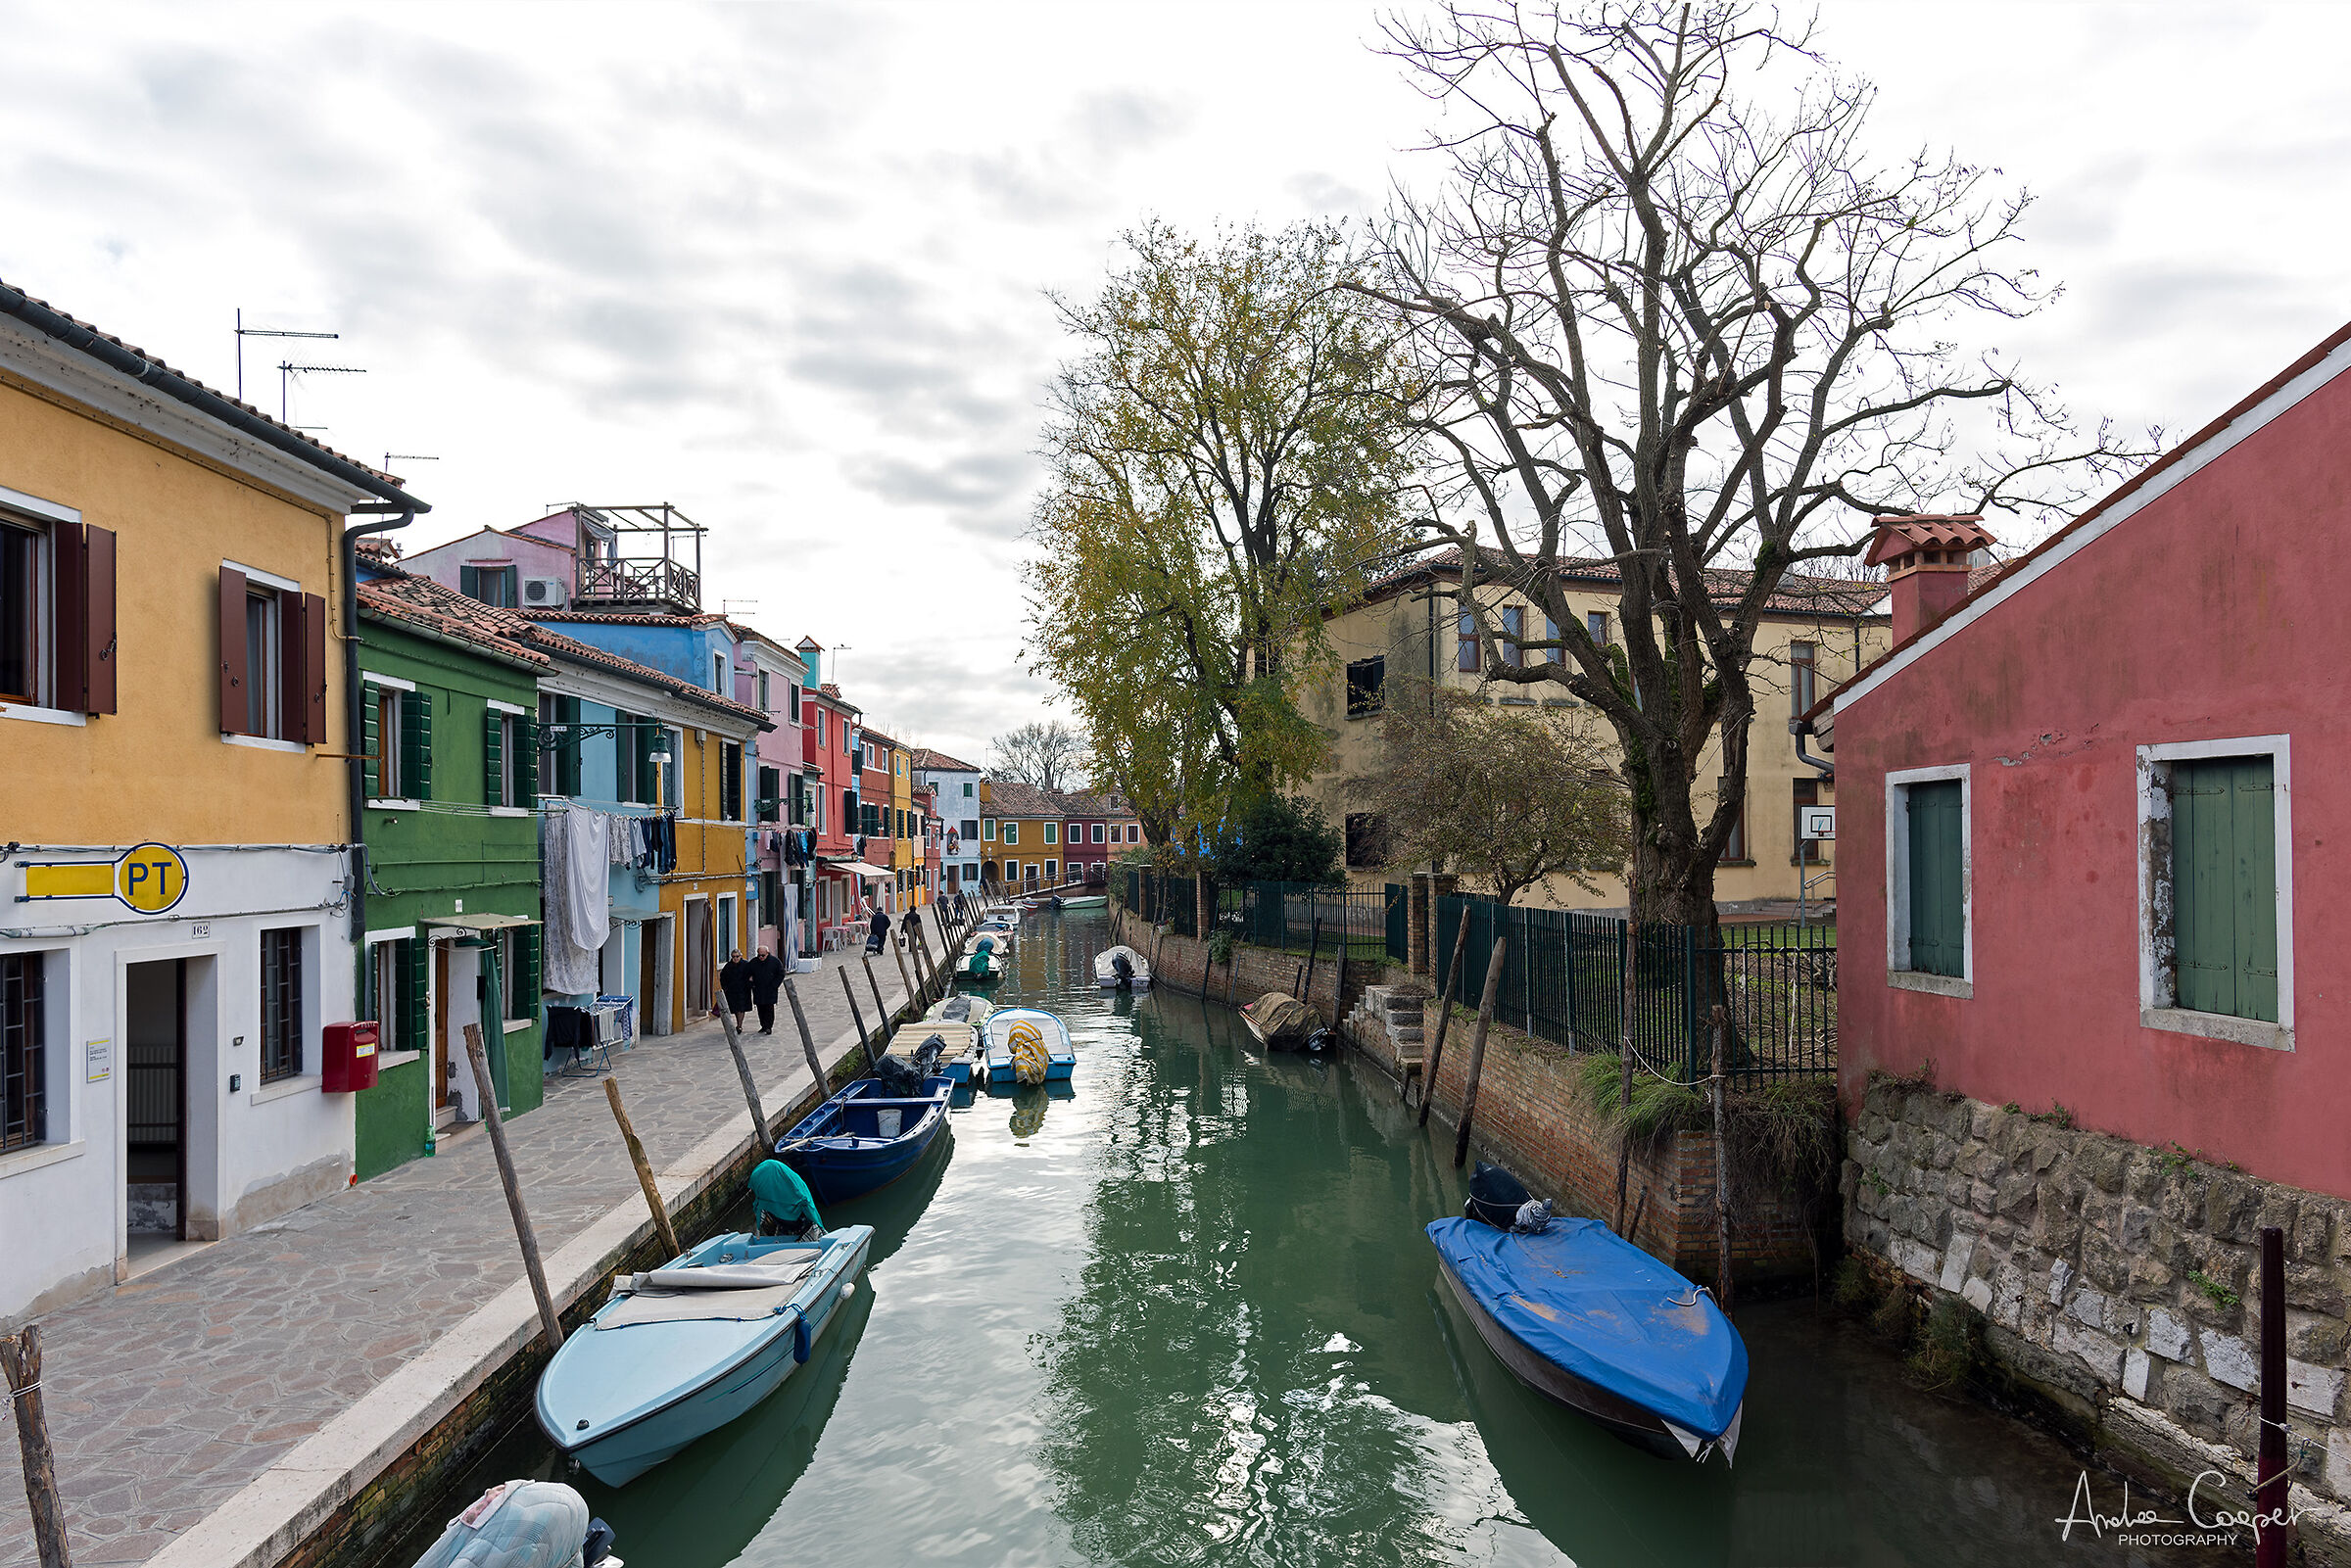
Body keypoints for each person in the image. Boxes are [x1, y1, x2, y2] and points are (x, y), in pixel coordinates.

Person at [748, 1158, 823, 1240]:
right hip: (783, 1231)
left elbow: (813, 1226)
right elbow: (759, 1225)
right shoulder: (765, 1199)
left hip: (806, 1233)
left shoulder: (799, 1197)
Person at [747, 945, 788, 1034]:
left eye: (763, 955)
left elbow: (781, 974)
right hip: (758, 989)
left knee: (769, 1008)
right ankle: (763, 1025)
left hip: (770, 989)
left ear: (767, 953)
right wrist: (751, 983)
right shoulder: (754, 962)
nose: (761, 957)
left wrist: (774, 985)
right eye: (759, 955)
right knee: (760, 1008)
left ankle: (769, 1026)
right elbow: (748, 973)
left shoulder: (775, 962)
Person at [716, 948, 753, 1032]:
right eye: (733, 956)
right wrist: (725, 987)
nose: (735, 958)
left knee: (741, 1008)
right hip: (732, 991)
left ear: (740, 956)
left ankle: (739, 1025)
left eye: (737, 956)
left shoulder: (746, 964)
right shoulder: (728, 966)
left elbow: (751, 975)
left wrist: (750, 984)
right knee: (736, 1008)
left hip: (743, 990)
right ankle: (738, 1024)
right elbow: (723, 977)